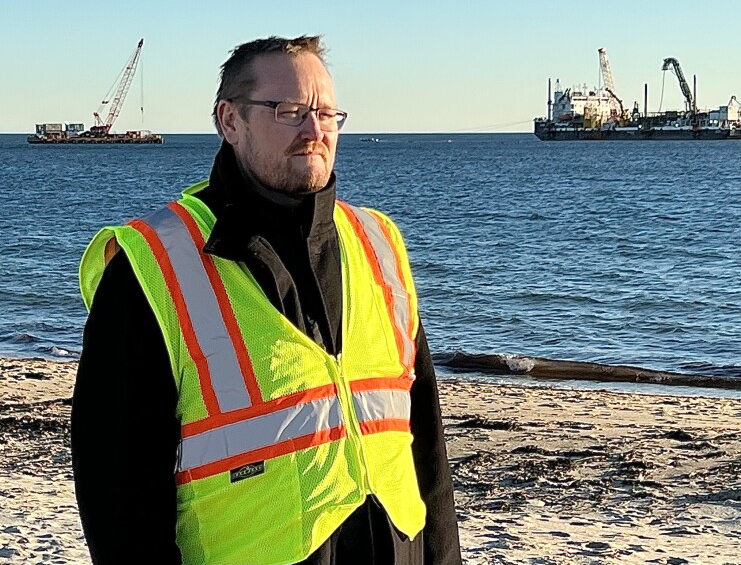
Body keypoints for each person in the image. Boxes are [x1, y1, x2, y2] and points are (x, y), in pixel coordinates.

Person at [71, 36, 462, 564]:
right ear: (229, 121)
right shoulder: (153, 267)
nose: (314, 130)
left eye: (326, 112)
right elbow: (117, 496)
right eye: (289, 110)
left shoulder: (378, 243)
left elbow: (426, 447)